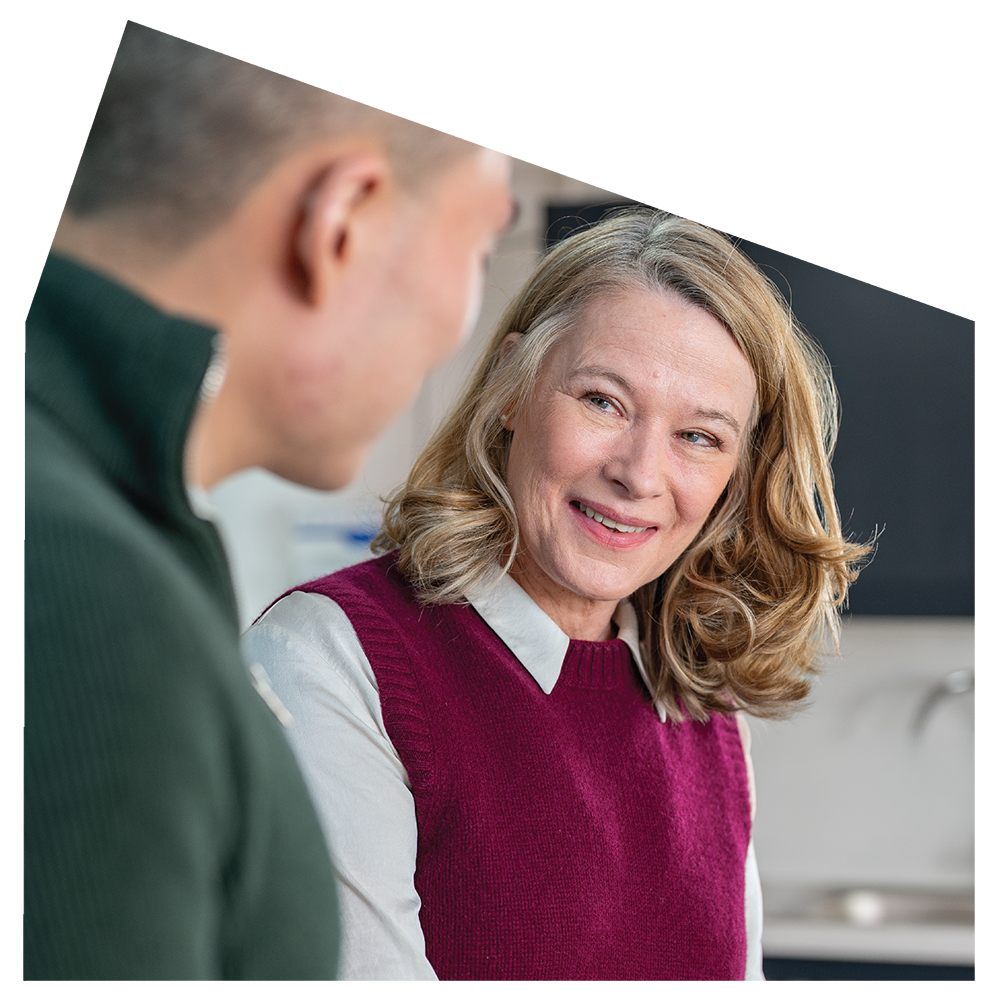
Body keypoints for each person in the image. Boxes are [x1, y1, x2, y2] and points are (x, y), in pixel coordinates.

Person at [244, 209, 872, 986]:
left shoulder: (704, 706)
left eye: (699, 436)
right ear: (512, 388)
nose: (639, 474)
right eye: (603, 401)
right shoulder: (329, 659)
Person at [24, 22, 512, 981]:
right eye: (481, 246)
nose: (463, 321)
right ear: (342, 225)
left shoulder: (109, 523)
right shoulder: (84, 591)